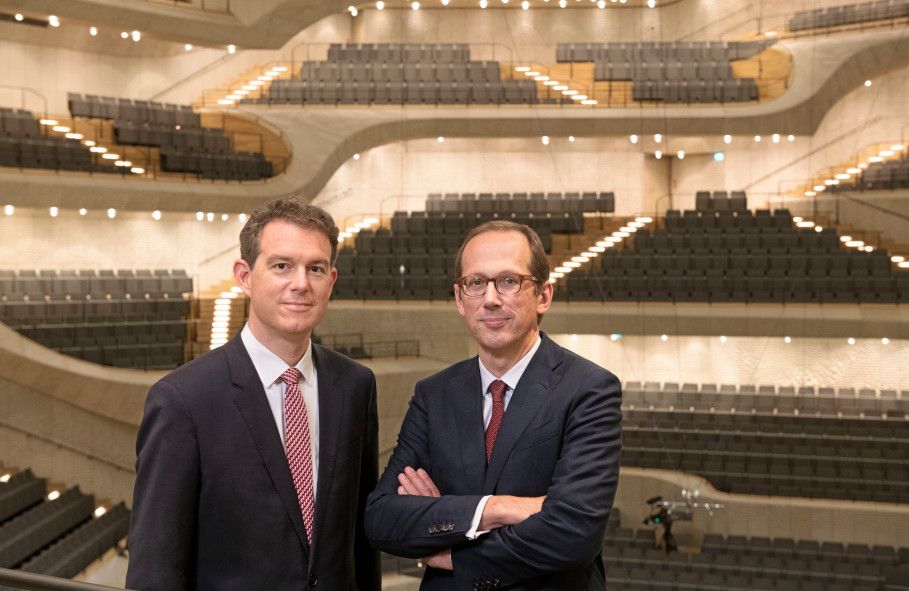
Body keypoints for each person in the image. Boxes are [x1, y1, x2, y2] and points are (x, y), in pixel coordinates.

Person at [126, 198, 379, 591]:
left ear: (331, 281)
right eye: (282, 266)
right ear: (244, 276)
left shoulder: (355, 385)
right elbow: (155, 569)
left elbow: (360, 544)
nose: (301, 283)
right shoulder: (182, 400)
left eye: (315, 268)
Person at [365, 220, 622, 590]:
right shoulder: (434, 395)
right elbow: (382, 518)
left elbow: (573, 532)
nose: (490, 299)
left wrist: (453, 552)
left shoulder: (589, 389)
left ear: (544, 296)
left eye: (508, 281)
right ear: (459, 298)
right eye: (476, 283)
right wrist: (497, 508)